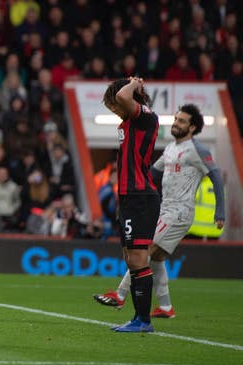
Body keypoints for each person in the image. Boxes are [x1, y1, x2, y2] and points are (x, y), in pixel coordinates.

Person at [94, 104, 225, 318]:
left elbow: (216, 176)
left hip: (180, 212)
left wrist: (220, 211)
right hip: (164, 209)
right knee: (156, 259)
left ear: (192, 128)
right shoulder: (171, 149)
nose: (176, 123)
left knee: (145, 250)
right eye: (176, 119)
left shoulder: (198, 150)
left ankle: (120, 294)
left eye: (181, 121)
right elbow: (151, 175)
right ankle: (165, 306)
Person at [101, 77, 160, 333]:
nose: (114, 109)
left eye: (114, 104)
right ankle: (139, 319)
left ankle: (143, 320)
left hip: (141, 196)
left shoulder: (145, 116)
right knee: (130, 258)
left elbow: (125, 97)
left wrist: (133, 84)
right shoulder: (128, 122)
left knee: (138, 258)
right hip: (128, 196)